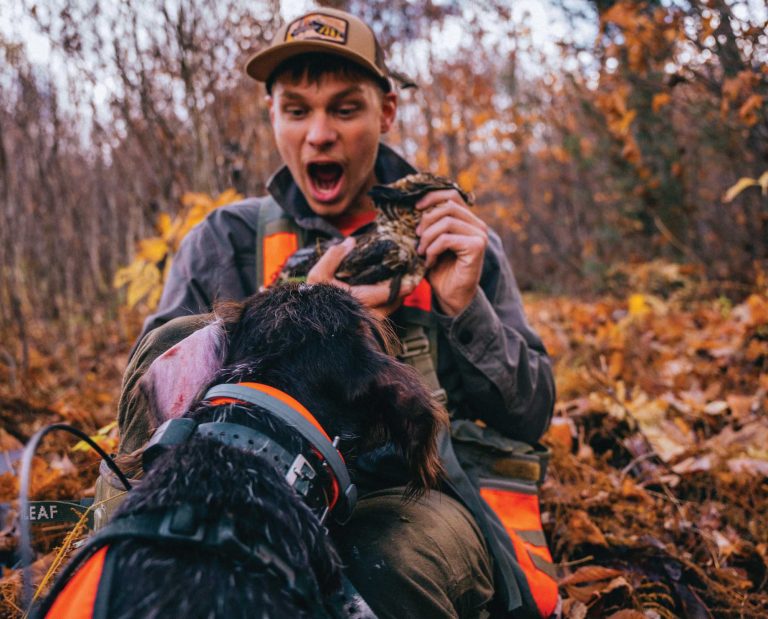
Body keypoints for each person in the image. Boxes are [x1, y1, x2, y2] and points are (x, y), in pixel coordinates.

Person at [111, 7, 556, 618]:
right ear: (272, 114)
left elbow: (530, 417)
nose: (319, 134)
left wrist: (464, 306)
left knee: (380, 566)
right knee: (182, 338)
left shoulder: (453, 239)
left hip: (416, 495)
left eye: (345, 109)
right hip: (247, 483)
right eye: (297, 110)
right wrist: (297, 318)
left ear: (387, 111)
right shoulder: (225, 239)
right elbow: (143, 411)